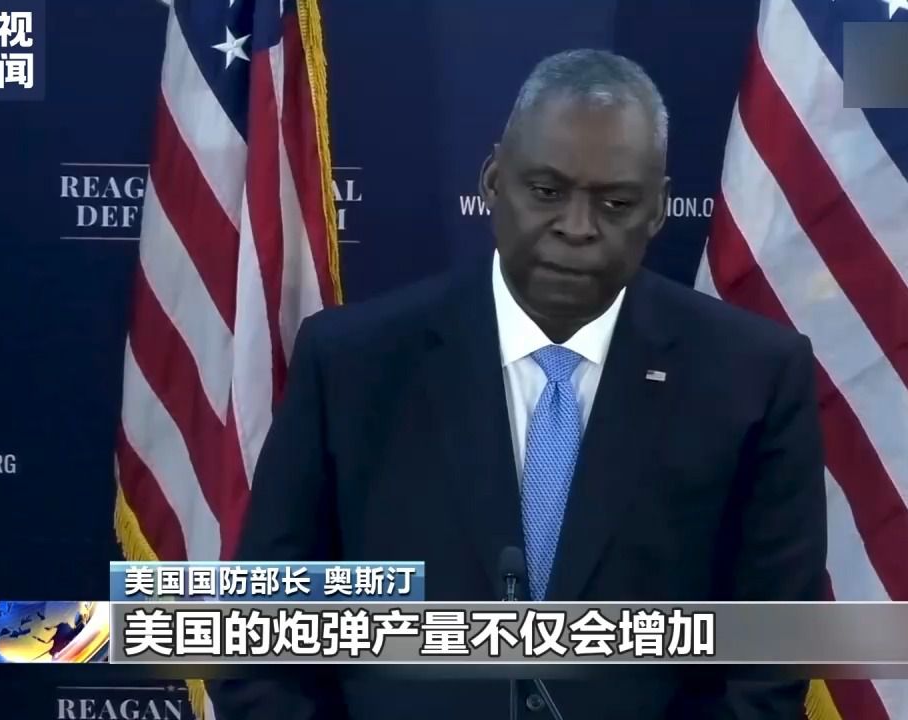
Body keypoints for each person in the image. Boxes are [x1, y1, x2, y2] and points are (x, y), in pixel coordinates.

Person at [209, 49, 826, 720]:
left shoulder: (752, 378)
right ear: (494, 180)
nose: (577, 228)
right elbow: (257, 645)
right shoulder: (353, 365)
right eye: (546, 192)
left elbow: (767, 666)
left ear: (657, 210)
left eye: (616, 203)